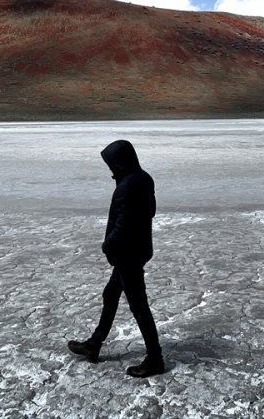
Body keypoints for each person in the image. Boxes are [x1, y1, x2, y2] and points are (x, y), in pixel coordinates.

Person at [68, 139, 165, 377]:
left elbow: (124, 224)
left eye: (111, 164)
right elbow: (149, 211)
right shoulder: (143, 178)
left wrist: (107, 244)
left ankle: (155, 359)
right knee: (110, 294)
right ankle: (94, 344)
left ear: (120, 162)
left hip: (127, 254)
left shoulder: (128, 186)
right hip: (138, 250)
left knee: (139, 306)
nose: (110, 169)